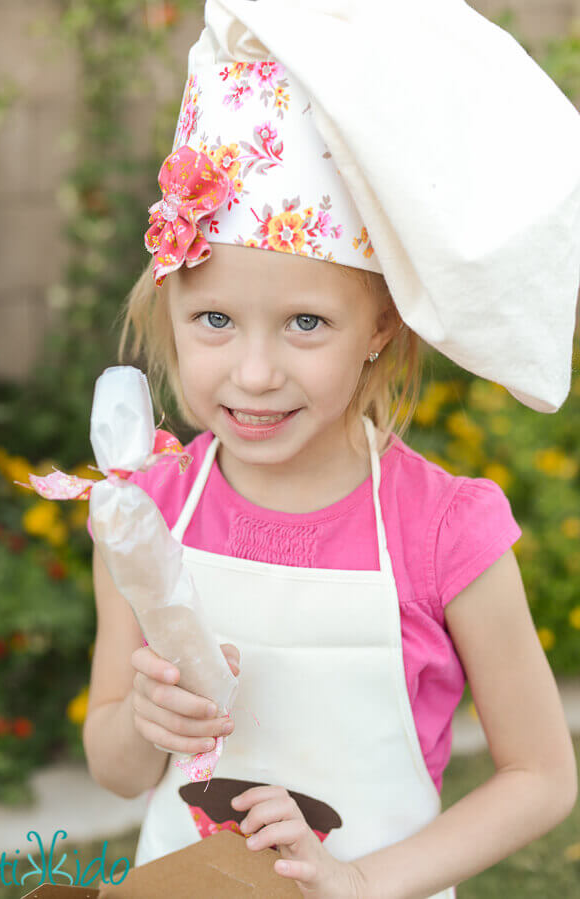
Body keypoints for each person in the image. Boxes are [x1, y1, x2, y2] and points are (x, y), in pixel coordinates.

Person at [82, 2, 580, 897]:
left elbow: (542, 775)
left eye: (306, 322)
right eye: (215, 321)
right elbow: (115, 768)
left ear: (379, 326)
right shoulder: (143, 510)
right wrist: (143, 723)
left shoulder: (445, 532)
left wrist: (357, 879)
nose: (256, 371)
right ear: (170, 316)